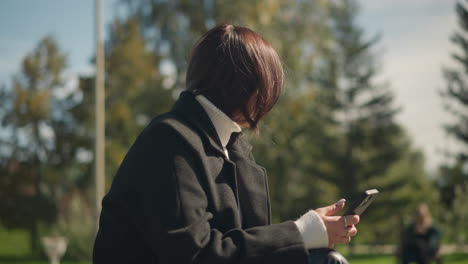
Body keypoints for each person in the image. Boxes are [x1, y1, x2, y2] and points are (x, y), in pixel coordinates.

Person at [93, 24, 360, 264]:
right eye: (269, 86)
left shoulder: (228, 146)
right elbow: (196, 255)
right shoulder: (168, 141)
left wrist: (309, 232)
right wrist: (300, 232)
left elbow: (243, 246)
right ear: (248, 86)